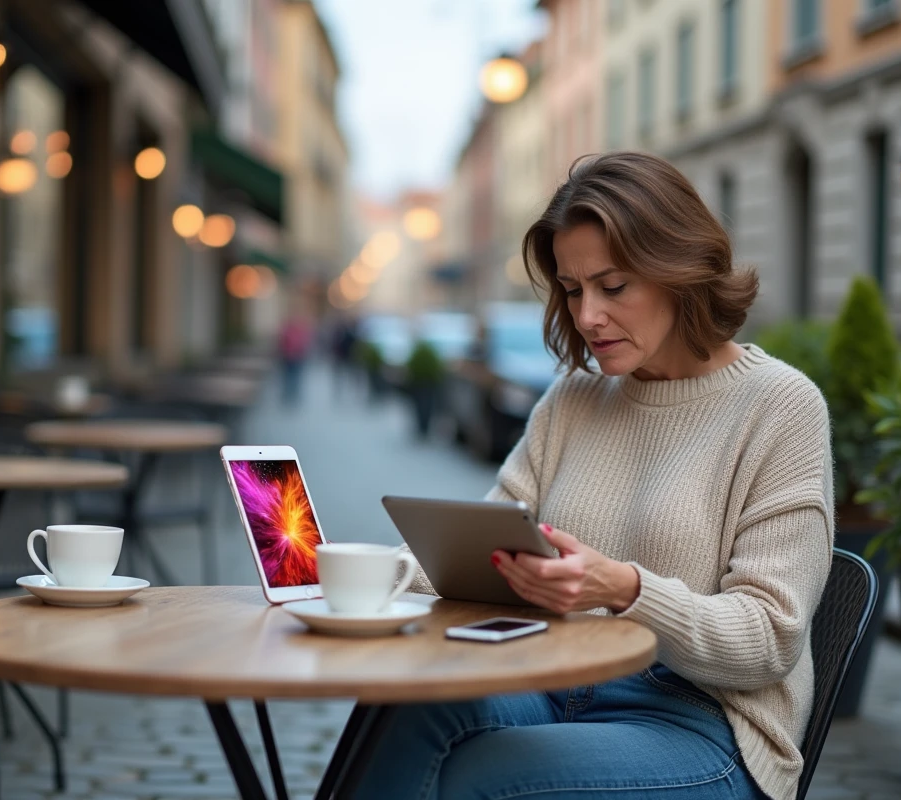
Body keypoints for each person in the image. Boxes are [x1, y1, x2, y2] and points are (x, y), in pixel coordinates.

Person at [357, 152, 833, 800]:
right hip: (555, 685)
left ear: (680, 272)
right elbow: (482, 550)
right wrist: (347, 575)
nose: (586, 317)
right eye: (573, 290)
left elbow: (768, 639)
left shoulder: (781, 406)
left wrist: (625, 588)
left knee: (482, 778)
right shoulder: (575, 396)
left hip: (701, 724)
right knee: (400, 707)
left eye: (613, 287)